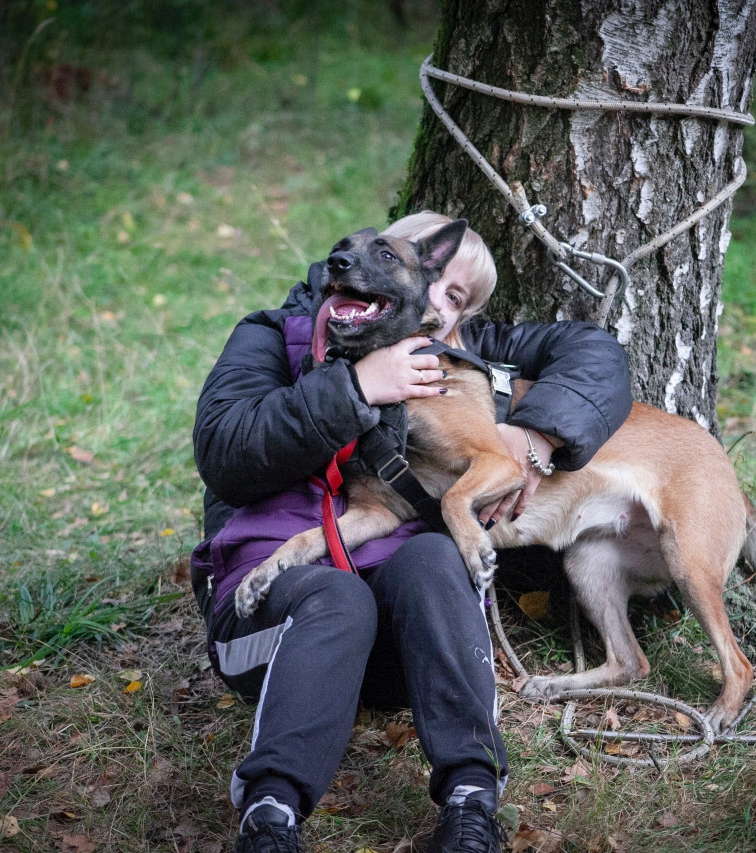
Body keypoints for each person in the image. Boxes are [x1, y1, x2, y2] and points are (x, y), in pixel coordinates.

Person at [190, 212, 632, 853]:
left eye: (454, 297)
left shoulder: (463, 354)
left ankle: (471, 805)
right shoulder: (274, 336)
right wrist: (356, 387)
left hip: (405, 649)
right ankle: (269, 817)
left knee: (430, 559)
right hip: (277, 632)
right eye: (424, 278)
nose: (433, 307)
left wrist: (537, 432)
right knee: (338, 600)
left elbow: (596, 354)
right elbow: (226, 450)